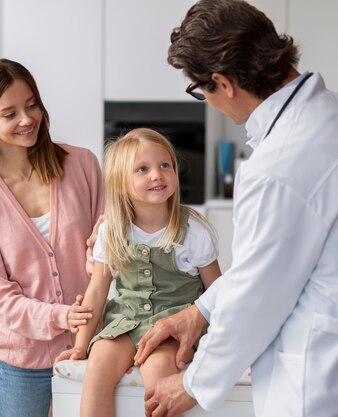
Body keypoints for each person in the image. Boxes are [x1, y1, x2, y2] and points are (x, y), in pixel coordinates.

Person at [133, 1, 338, 416]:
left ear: (223, 83)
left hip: (315, 380)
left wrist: (194, 383)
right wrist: (200, 310)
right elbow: (271, 264)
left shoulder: (278, 165)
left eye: (200, 90)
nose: (207, 102)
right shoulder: (325, 115)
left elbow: (257, 294)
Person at [0, 58, 105, 417]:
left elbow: (106, 259)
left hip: (93, 350)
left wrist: (102, 249)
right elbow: (1, 299)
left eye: (32, 104)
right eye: (9, 114)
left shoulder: (81, 164)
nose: (27, 119)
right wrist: (63, 316)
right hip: (20, 361)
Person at [54, 128, 221, 417]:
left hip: (172, 325)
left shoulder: (194, 229)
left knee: (157, 370)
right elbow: (96, 290)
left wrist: (215, 344)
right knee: (98, 365)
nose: (157, 174)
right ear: (120, 184)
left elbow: (218, 291)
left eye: (164, 165)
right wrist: (80, 347)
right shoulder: (111, 230)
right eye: (143, 169)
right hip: (125, 321)